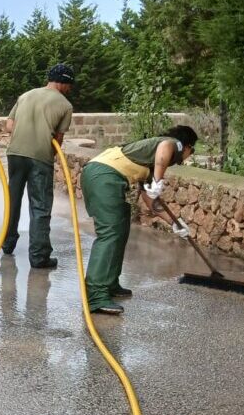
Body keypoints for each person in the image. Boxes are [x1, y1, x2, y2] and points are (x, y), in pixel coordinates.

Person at [80, 125, 198, 315]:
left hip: (104, 177)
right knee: (110, 235)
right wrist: (158, 181)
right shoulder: (170, 144)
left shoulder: (147, 159)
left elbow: (151, 202)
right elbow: (166, 147)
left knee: (120, 231)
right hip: (103, 177)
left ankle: (110, 284)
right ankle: (96, 296)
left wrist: (176, 223)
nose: (188, 156)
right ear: (187, 146)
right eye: (191, 151)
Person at [2, 63, 75, 268]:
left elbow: (9, 125)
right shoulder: (65, 105)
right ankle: (39, 256)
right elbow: (58, 140)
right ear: (65, 82)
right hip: (40, 157)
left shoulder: (26, 95)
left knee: (13, 201)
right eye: (70, 85)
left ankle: (7, 245)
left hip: (15, 154)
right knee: (40, 207)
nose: (70, 89)